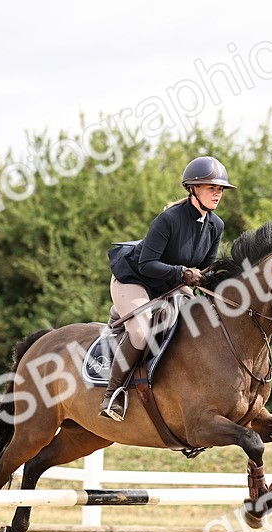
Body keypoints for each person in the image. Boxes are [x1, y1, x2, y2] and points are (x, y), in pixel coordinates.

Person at [99, 155, 235, 421]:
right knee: (141, 332)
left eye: (220, 189)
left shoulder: (215, 225)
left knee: (199, 323)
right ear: (192, 188)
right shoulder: (169, 219)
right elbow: (147, 264)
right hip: (136, 280)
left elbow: (204, 269)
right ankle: (112, 395)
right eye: (211, 188)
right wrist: (183, 272)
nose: (218, 194)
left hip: (172, 285)